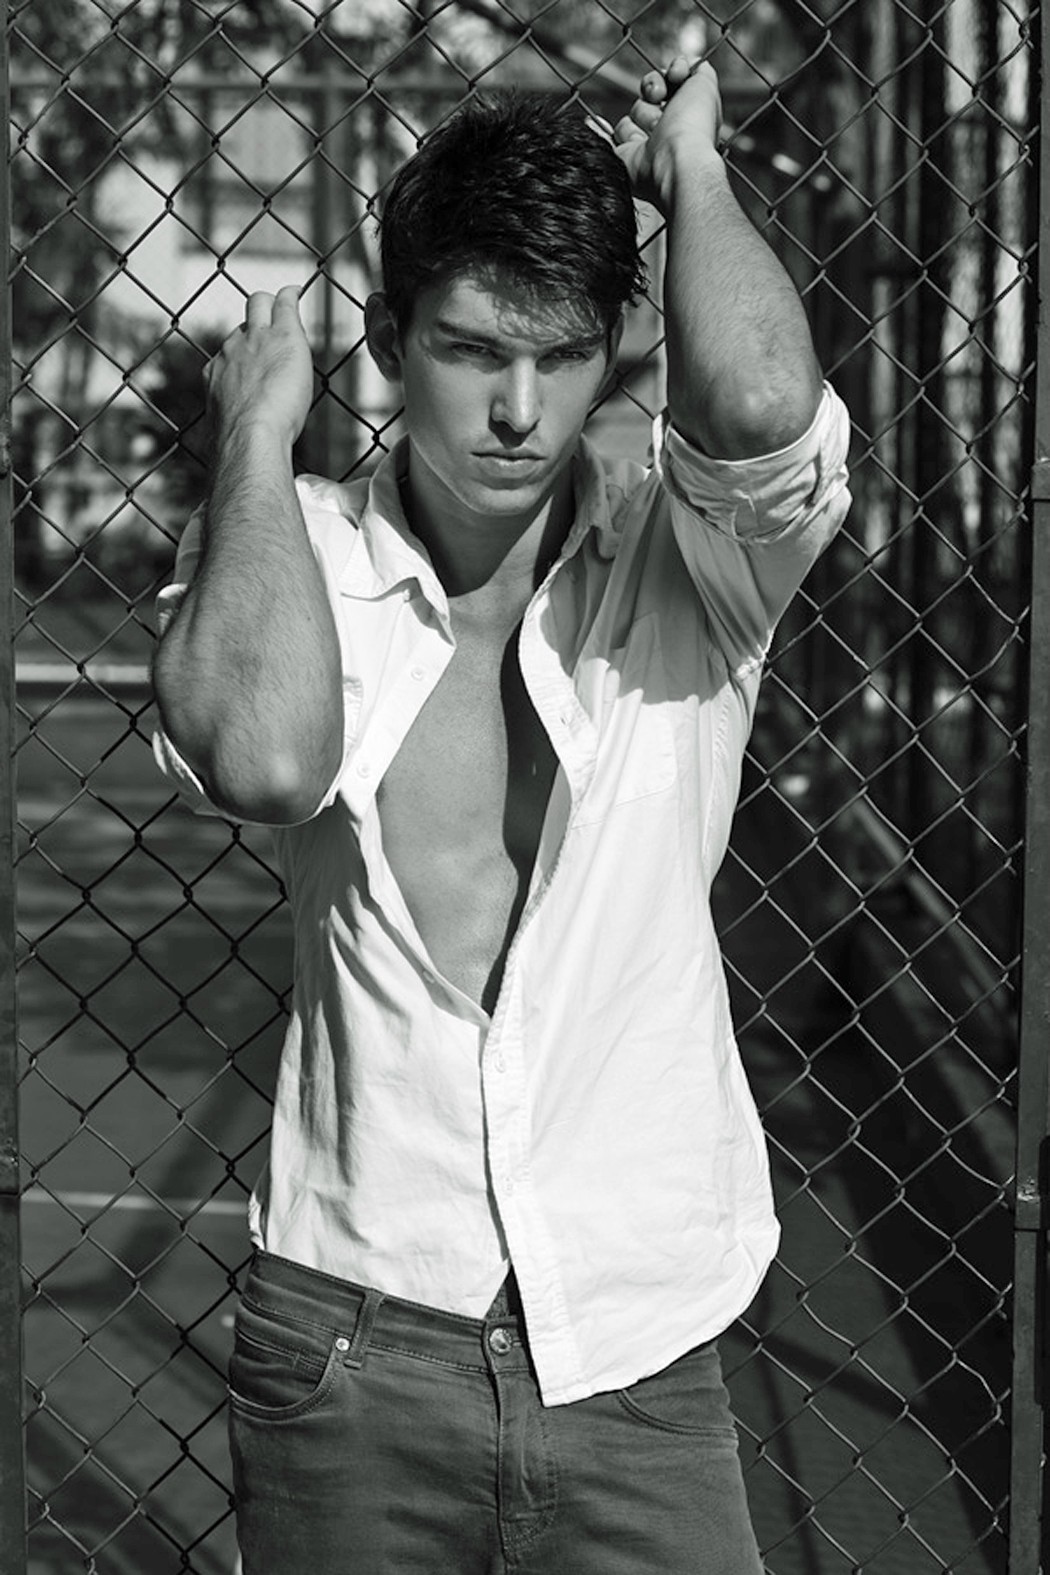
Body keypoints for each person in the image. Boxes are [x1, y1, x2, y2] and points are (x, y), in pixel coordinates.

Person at [152, 55, 850, 1575]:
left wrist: (693, 168)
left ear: (614, 352)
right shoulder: (299, 556)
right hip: (352, 1326)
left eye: (563, 356)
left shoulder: (695, 566)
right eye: (472, 351)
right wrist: (253, 443)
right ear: (388, 339)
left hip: (633, 1335)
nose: (520, 412)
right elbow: (263, 762)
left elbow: (759, 401)